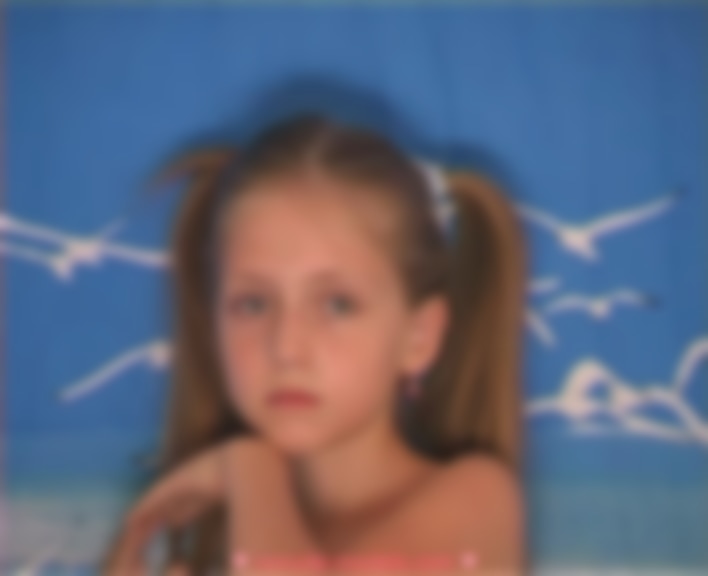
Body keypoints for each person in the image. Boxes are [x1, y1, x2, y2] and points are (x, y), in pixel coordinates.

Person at [100, 113, 528, 576]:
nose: (287, 348)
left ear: (418, 336)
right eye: (254, 304)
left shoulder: (478, 500)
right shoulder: (215, 534)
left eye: (337, 305)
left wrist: (249, 466)